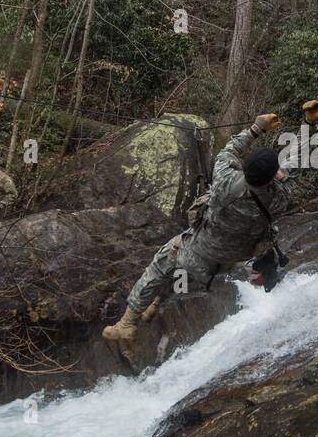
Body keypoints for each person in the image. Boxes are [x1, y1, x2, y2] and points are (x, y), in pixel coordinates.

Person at [103, 113, 291, 344]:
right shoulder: (280, 200)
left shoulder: (224, 180)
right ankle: (157, 304)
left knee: (162, 264)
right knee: (181, 276)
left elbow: (228, 151)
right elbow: (292, 173)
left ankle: (127, 324)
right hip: (230, 262)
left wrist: (256, 129)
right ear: (272, 177)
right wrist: (309, 128)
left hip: (199, 252)